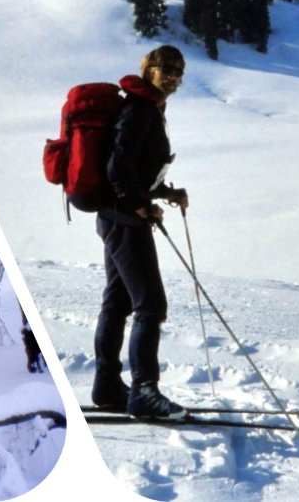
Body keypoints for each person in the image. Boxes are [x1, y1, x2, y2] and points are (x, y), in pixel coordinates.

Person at [91, 45, 190, 419]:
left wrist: (165, 193)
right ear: (149, 68)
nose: (173, 76)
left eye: (179, 71)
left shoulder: (147, 107)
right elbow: (118, 166)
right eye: (166, 68)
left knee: (117, 303)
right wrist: (136, 203)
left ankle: (107, 386)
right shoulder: (138, 108)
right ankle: (144, 392)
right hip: (125, 221)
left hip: (115, 217)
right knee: (150, 305)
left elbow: (136, 165)